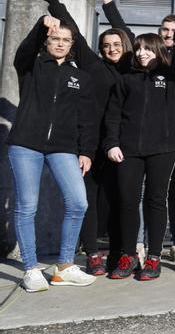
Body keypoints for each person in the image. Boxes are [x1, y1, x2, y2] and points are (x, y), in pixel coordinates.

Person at [40, 0, 134, 276]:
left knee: (120, 200)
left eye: (117, 44)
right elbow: (74, 32)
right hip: (92, 144)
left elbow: (122, 26)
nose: (112, 48)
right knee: (90, 200)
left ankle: (121, 252)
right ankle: (92, 253)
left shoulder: (134, 67)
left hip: (122, 145)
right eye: (107, 45)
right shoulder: (93, 66)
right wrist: (52, 0)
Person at [8, 15, 99, 292]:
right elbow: (23, 51)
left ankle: (64, 266)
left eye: (65, 40)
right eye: (55, 38)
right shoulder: (32, 65)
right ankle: (31, 269)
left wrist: (86, 151)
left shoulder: (79, 77)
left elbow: (86, 118)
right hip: (26, 144)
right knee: (27, 206)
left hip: (63, 147)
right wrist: (40, 25)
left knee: (78, 202)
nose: (60, 43)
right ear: (47, 41)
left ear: (72, 45)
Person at [104, 32, 175, 280]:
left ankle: (153, 256)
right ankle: (129, 255)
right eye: (139, 49)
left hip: (163, 148)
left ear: (158, 50)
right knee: (128, 201)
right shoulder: (126, 78)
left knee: (156, 200)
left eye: (147, 49)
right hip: (128, 149)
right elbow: (113, 114)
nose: (142, 53)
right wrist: (112, 143)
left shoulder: (169, 75)